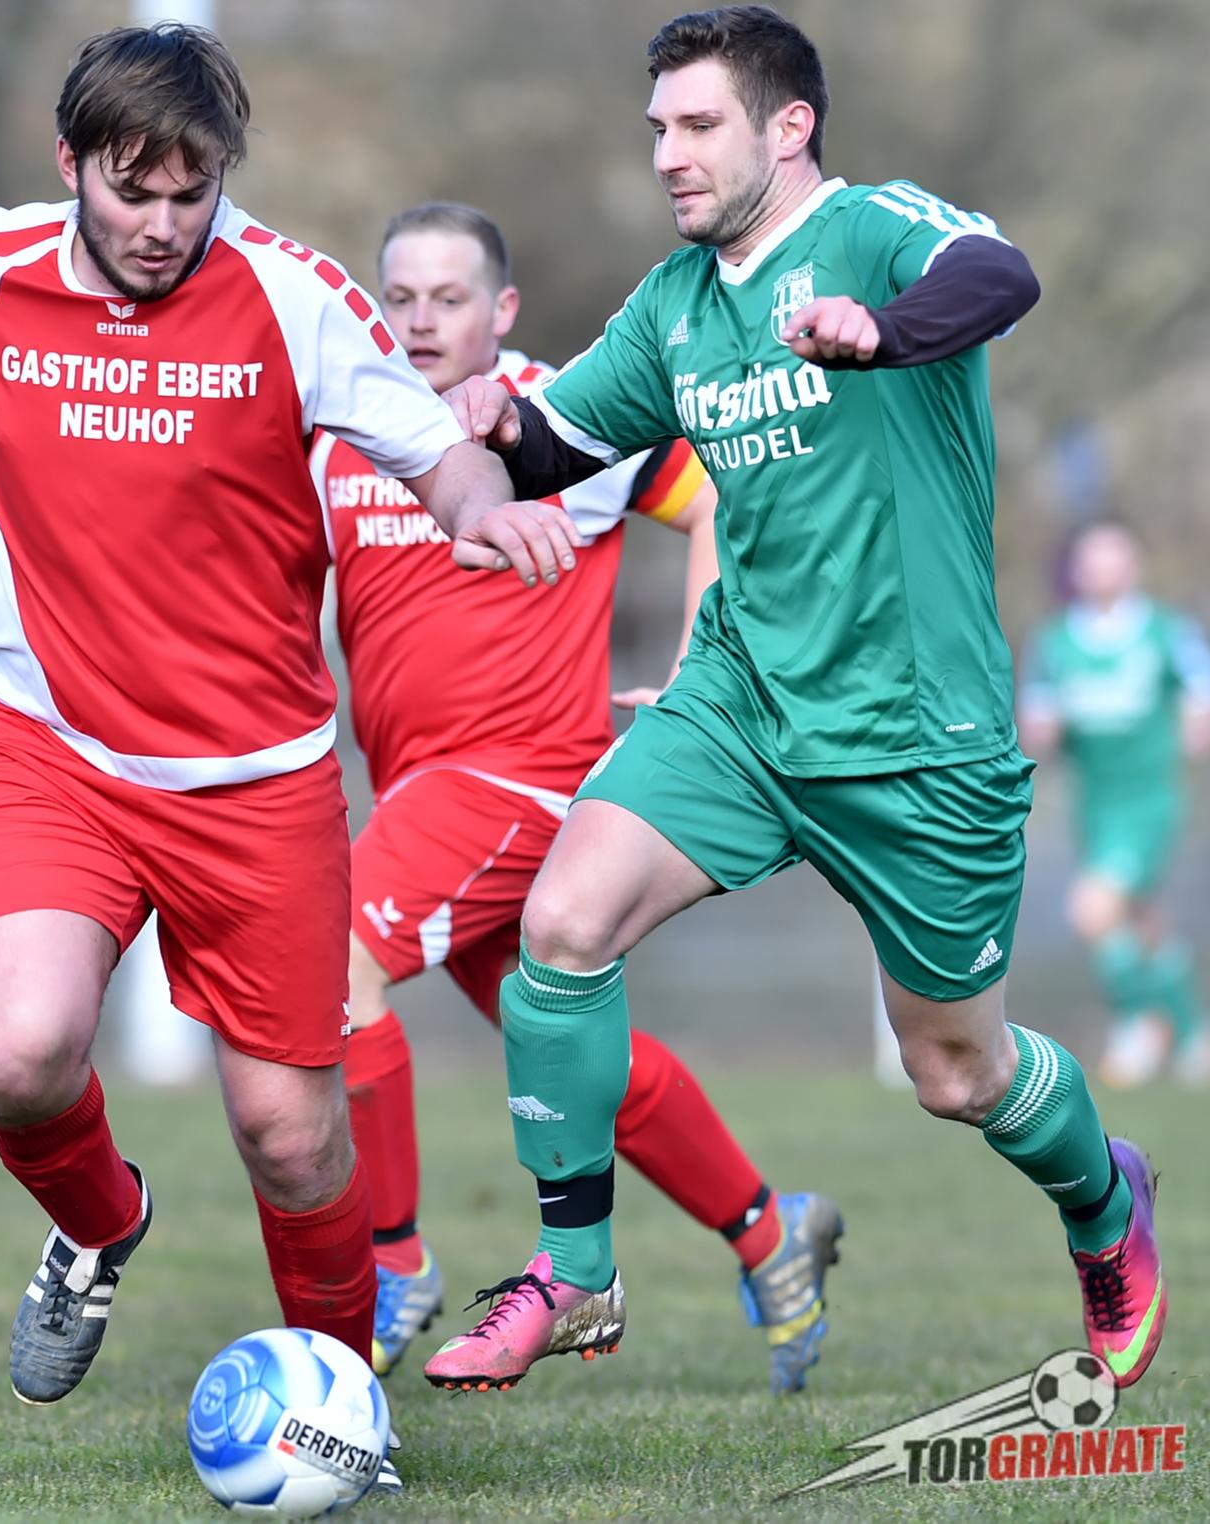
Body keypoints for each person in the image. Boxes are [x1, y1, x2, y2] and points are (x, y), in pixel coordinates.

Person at [0, 26, 569, 1464]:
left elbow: (432, 447)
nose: (163, 225)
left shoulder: (292, 294)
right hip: (53, 751)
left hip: (256, 785)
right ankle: (98, 1225)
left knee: (289, 1136)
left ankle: (340, 1409)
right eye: (134, 192)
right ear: (70, 163)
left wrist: (480, 509)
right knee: (18, 1055)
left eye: (193, 195)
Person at [425, 5, 1166, 1395]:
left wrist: (882, 332)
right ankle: (575, 1272)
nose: (668, 153)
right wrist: (496, 427)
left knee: (957, 1073)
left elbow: (999, 276)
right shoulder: (674, 304)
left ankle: (1101, 1199)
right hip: (742, 707)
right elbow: (557, 445)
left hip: (916, 736)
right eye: (658, 127)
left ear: (788, 127)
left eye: (698, 125)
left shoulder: (876, 230)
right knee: (563, 924)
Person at [315, 201, 842, 1393]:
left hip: (521, 780)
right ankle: (771, 1231)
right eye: (400, 298)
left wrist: (706, 662)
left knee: (329, 964)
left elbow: (716, 496)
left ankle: (392, 1263)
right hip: (419, 793)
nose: (420, 321)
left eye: (449, 298)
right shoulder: (350, 431)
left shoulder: (554, 416)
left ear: (501, 309)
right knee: (570, 1052)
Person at [1019, 520, 1210, 1087]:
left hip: (1148, 801)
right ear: (1077, 570)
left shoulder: (1166, 632)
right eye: (1092, 558)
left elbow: (1199, 700)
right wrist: (1044, 731)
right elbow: (1037, 723)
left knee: (1092, 911)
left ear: (1134, 566)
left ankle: (1139, 1024)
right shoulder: (1055, 642)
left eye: (1114, 556)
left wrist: (1193, 728)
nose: (1103, 568)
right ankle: (1192, 1034)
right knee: (1140, 923)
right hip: (1093, 807)